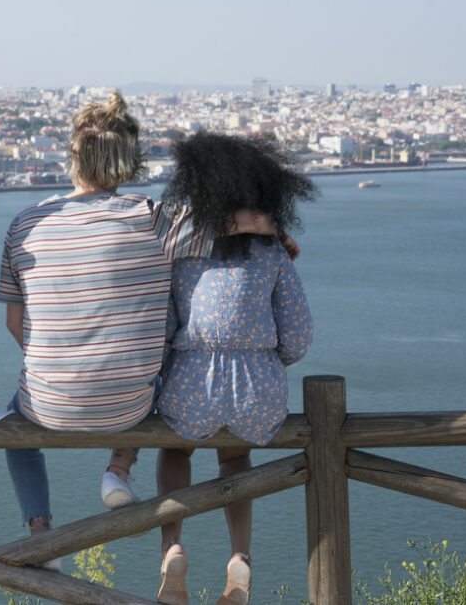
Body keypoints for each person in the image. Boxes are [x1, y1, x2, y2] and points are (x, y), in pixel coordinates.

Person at [0, 92, 277, 569]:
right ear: (130, 160)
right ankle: (117, 469)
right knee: (157, 379)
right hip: (129, 406)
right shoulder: (154, 218)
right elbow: (244, 222)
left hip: (48, 401)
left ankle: (41, 537)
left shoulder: (27, 222)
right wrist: (277, 232)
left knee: (12, 428)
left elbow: (13, 323)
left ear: (72, 155)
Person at [153, 132, 315, 605]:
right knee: (236, 457)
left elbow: (164, 327)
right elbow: (300, 335)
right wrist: (267, 359)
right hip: (257, 388)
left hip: (191, 382)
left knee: (176, 453)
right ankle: (239, 557)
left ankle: (172, 547)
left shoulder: (182, 252)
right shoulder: (273, 254)